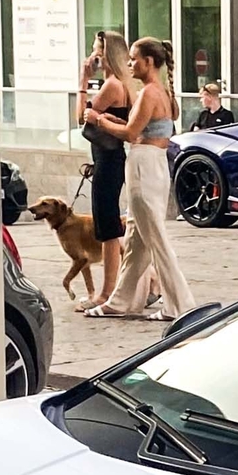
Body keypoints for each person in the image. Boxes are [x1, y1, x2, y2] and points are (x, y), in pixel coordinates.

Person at [90, 37, 199, 322]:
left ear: (149, 62)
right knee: (137, 238)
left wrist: (98, 119)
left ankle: (179, 304)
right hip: (156, 164)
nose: (129, 63)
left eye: (134, 58)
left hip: (143, 164)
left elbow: (129, 133)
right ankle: (122, 301)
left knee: (155, 238)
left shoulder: (149, 93)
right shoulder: (163, 92)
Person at [70, 30, 132, 307]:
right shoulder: (124, 84)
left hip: (108, 159)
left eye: (96, 49)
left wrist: (83, 81)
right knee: (109, 225)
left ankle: (106, 292)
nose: (92, 55)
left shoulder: (112, 86)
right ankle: (146, 280)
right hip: (111, 157)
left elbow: (80, 116)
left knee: (107, 227)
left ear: (106, 54)